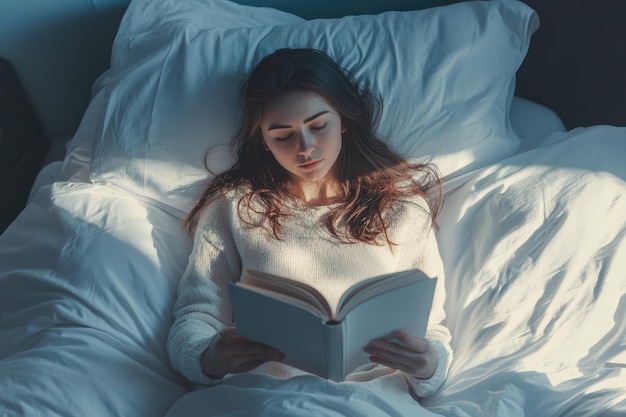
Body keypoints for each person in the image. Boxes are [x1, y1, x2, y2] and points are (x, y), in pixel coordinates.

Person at [167, 48, 452, 401]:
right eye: (282, 136)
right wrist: (208, 357)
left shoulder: (401, 208)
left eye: (319, 126)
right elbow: (197, 315)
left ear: (344, 119)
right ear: (264, 142)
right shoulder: (236, 207)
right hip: (262, 397)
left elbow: (432, 330)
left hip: (367, 399)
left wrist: (427, 365)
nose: (306, 147)